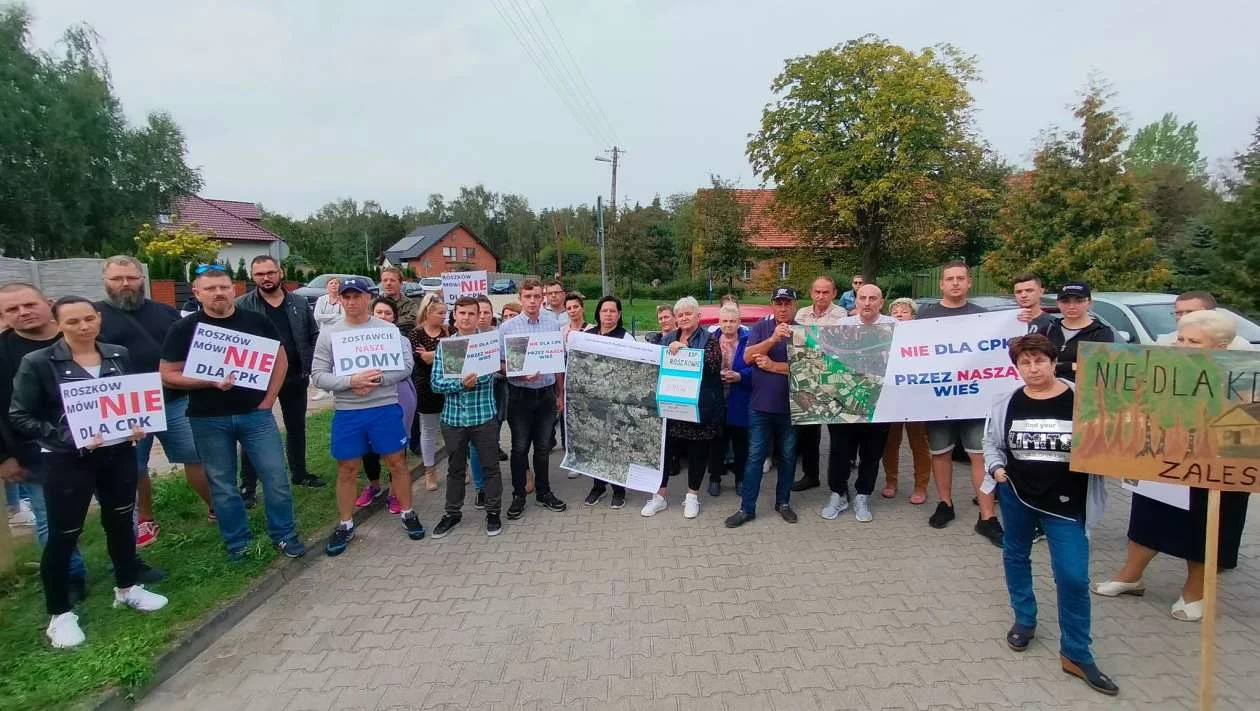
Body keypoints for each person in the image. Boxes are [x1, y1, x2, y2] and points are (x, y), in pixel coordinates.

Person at [10, 296, 168, 648]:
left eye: (88, 319)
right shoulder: (37, 362)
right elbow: (20, 415)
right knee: (64, 533)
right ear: (59, 324)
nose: (83, 327)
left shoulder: (116, 354)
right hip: (66, 461)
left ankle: (127, 587)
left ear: (98, 319)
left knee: (120, 520)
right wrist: (71, 437)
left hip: (117, 454)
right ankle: (60, 614)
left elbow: (128, 399)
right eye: (72, 322)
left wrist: (137, 424)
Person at [1092, 309, 1250, 622]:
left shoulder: (1243, 378)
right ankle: (1131, 576)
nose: (1182, 345)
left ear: (1220, 347)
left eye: (1194, 341)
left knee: (1206, 530)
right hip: (1163, 464)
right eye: (1180, 338)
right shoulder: (1161, 370)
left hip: (1212, 472)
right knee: (1146, 519)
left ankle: (1195, 591)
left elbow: (1245, 436)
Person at [982, 334, 1116, 696]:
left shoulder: (1083, 399)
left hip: (1067, 502)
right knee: (1015, 555)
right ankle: (1024, 620)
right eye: (1025, 362)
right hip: (1019, 495)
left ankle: (1076, 652)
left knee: (1073, 576)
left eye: (1039, 360)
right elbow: (992, 441)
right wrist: (996, 470)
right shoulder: (1006, 400)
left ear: (1053, 360)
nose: (1033, 368)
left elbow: (1111, 441)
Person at [160, 264, 306, 561]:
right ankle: (238, 542)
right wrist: (207, 381)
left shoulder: (257, 322)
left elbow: (281, 361)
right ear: (197, 293)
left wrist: (269, 400)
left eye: (224, 287)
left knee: (276, 477)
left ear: (234, 289)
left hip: (256, 415)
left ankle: (284, 534)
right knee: (223, 484)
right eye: (210, 288)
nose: (218, 293)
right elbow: (167, 374)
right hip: (207, 418)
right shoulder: (183, 329)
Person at [96, 256, 213, 548]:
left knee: (194, 456)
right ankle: (145, 517)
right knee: (134, 466)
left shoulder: (165, 312)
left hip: (173, 399)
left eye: (131, 277)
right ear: (106, 282)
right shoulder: (94, 315)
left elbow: (190, 348)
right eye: (117, 278)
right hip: (125, 405)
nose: (125, 283)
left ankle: (215, 506)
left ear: (141, 280)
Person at [312, 279, 422, 555]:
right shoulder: (330, 334)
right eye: (346, 296)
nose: (351, 302)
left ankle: (408, 512)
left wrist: (379, 378)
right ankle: (346, 523)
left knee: (397, 462)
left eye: (357, 296)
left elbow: (406, 366)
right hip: (349, 411)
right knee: (347, 468)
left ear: (368, 298)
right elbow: (318, 374)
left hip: (384, 407)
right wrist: (350, 381)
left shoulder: (387, 331)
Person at [916, 260, 1003, 545]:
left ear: (969, 283)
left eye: (960, 278)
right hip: (938, 399)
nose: (955, 283)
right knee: (941, 453)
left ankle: (987, 516)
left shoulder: (984, 317)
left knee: (980, 455)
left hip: (975, 400)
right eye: (949, 279)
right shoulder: (926, 317)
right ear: (941, 284)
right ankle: (945, 504)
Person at [236, 256, 324, 508]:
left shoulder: (297, 302)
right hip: (257, 380)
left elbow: (312, 333)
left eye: (271, 272)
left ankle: (299, 473)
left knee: (296, 427)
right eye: (260, 274)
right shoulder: (243, 305)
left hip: (295, 375)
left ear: (280, 273)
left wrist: (310, 362)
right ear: (253, 277)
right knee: (252, 432)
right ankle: (248, 486)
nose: (266, 278)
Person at [725, 287, 801, 527]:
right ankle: (747, 508)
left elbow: (809, 369)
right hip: (760, 407)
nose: (783, 308)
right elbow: (747, 358)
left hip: (791, 407)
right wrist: (774, 339)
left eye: (787, 303)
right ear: (772, 305)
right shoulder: (760, 327)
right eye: (778, 303)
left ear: (794, 306)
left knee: (787, 458)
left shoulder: (804, 332)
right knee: (755, 457)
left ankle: (783, 502)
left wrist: (771, 366)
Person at [641, 297, 724, 519]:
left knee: (697, 452)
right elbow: (655, 366)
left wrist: (686, 352)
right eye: (680, 315)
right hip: (670, 407)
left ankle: (692, 497)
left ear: (699, 316)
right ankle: (659, 496)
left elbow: (715, 366)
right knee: (665, 452)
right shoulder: (666, 338)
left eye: (689, 313)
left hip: (699, 407)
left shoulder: (709, 339)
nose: (684, 318)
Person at [430, 297, 505, 538]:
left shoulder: (487, 344)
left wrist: (470, 380)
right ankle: (452, 513)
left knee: (490, 467)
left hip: (483, 417)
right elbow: (436, 383)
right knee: (455, 469)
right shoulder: (445, 347)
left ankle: (493, 512)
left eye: (472, 314)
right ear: (454, 316)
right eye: (461, 313)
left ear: (479, 316)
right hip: (453, 419)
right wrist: (460, 383)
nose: (466, 318)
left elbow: (488, 375)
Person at [820, 284, 895, 522]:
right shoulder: (842, 327)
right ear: (856, 301)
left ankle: (863, 494)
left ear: (881, 302)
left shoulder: (895, 327)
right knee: (840, 451)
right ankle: (838, 493)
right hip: (845, 402)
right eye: (862, 298)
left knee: (872, 453)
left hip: (879, 403)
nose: (867, 303)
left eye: (873, 298)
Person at [499, 278, 567, 519]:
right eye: (528, 297)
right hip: (519, 395)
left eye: (537, 296)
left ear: (543, 298)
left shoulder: (551, 325)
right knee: (518, 448)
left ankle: (544, 492)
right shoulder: (507, 328)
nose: (532, 301)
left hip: (546, 394)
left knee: (542, 447)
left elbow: (558, 362)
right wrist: (517, 373)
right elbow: (500, 364)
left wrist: (560, 393)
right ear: (520, 298)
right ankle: (519, 495)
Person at [353, 298, 419, 511]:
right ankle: (373, 485)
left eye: (388, 313)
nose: (383, 316)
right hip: (366, 397)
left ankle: (394, 491)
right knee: (368, 445)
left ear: (395, 318)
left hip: (399, 395)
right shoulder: (357, 341)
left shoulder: (402, 341)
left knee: (397, 446)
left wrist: (378, 379)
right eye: (379, 312)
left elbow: (407, 368)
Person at [580, 296, 637, 509]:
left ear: (619, 314)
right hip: (592, 402)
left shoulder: (626, 338)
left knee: (615, 445)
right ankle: (598, 486)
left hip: (616, 402)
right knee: (596, 445)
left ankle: (619, 489)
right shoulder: (586, 336)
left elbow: (633, 371)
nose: (608, 314)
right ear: (598, 313)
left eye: (613, 311)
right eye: (605, 311)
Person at [792, 276, 848, 493]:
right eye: (817, 292)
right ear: (811, 292)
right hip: (809, 379)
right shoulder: (801, 314)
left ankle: (839, 480)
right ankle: (810, 475)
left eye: (826, 292)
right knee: (809, 434)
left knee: (838, 434)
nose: (821, 296)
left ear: (834, 293)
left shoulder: (841, 315)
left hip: (835, 379)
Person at [881, 298, 931, 504]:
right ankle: (891, 482)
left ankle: (921, 486)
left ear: (914, 316)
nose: (899, 314)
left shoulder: (924, 339)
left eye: (904, 311)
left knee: (919, 444)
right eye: (895, 311)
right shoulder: (883, 337)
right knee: (890, 443)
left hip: (916, 400)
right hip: (891, 399)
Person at [707, 303, 752, 497]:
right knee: (717, 442)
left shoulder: (748, 340)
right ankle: (714, 477)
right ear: (719, 322)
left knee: (741, 444)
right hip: (717, 400)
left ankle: (740, 479)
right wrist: (715, 374)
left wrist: (740, 376)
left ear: (739, 322)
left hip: (740, 399)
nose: (728, 325)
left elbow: (756, 366)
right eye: (724, 321)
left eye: (732, 321)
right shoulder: (711, 340)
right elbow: (703, 364)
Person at [407, 294, 448, 494]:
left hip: (448, 387)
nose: (444, 317)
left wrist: (433, 354)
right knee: (429, 430)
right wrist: (442, 351)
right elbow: (422, 359)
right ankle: (429, 470)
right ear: (428, 313)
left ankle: (459, 466)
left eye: (446, 313)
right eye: (441, 313)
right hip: (425, 388)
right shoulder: (415, 334)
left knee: (452, 431)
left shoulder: (449, 332)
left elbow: (455, 356)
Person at [1046, 282, 1115, 382]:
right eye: (1065, 301)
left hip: (1083, 392)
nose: (1071, 306)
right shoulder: (1049, 328)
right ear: (1058, 303)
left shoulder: (1101, 332)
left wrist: (1065, 366)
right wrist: (1073, 365)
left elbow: (1100, 369)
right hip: (1049, 391)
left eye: (1079, 301)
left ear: (1089, 303)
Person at [1155, 291, 1251, 349]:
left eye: (1190, 312)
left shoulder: (1239, 346)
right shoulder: (1163, 343)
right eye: (1178, 313)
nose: (1183, 317)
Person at [378, 267, 418, 334]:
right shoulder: (374, 304)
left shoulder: (410, 304)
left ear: (401, 283)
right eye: (385, 280)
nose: (388, 283)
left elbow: (412, 322)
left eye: (392, 280)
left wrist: (384, 322)